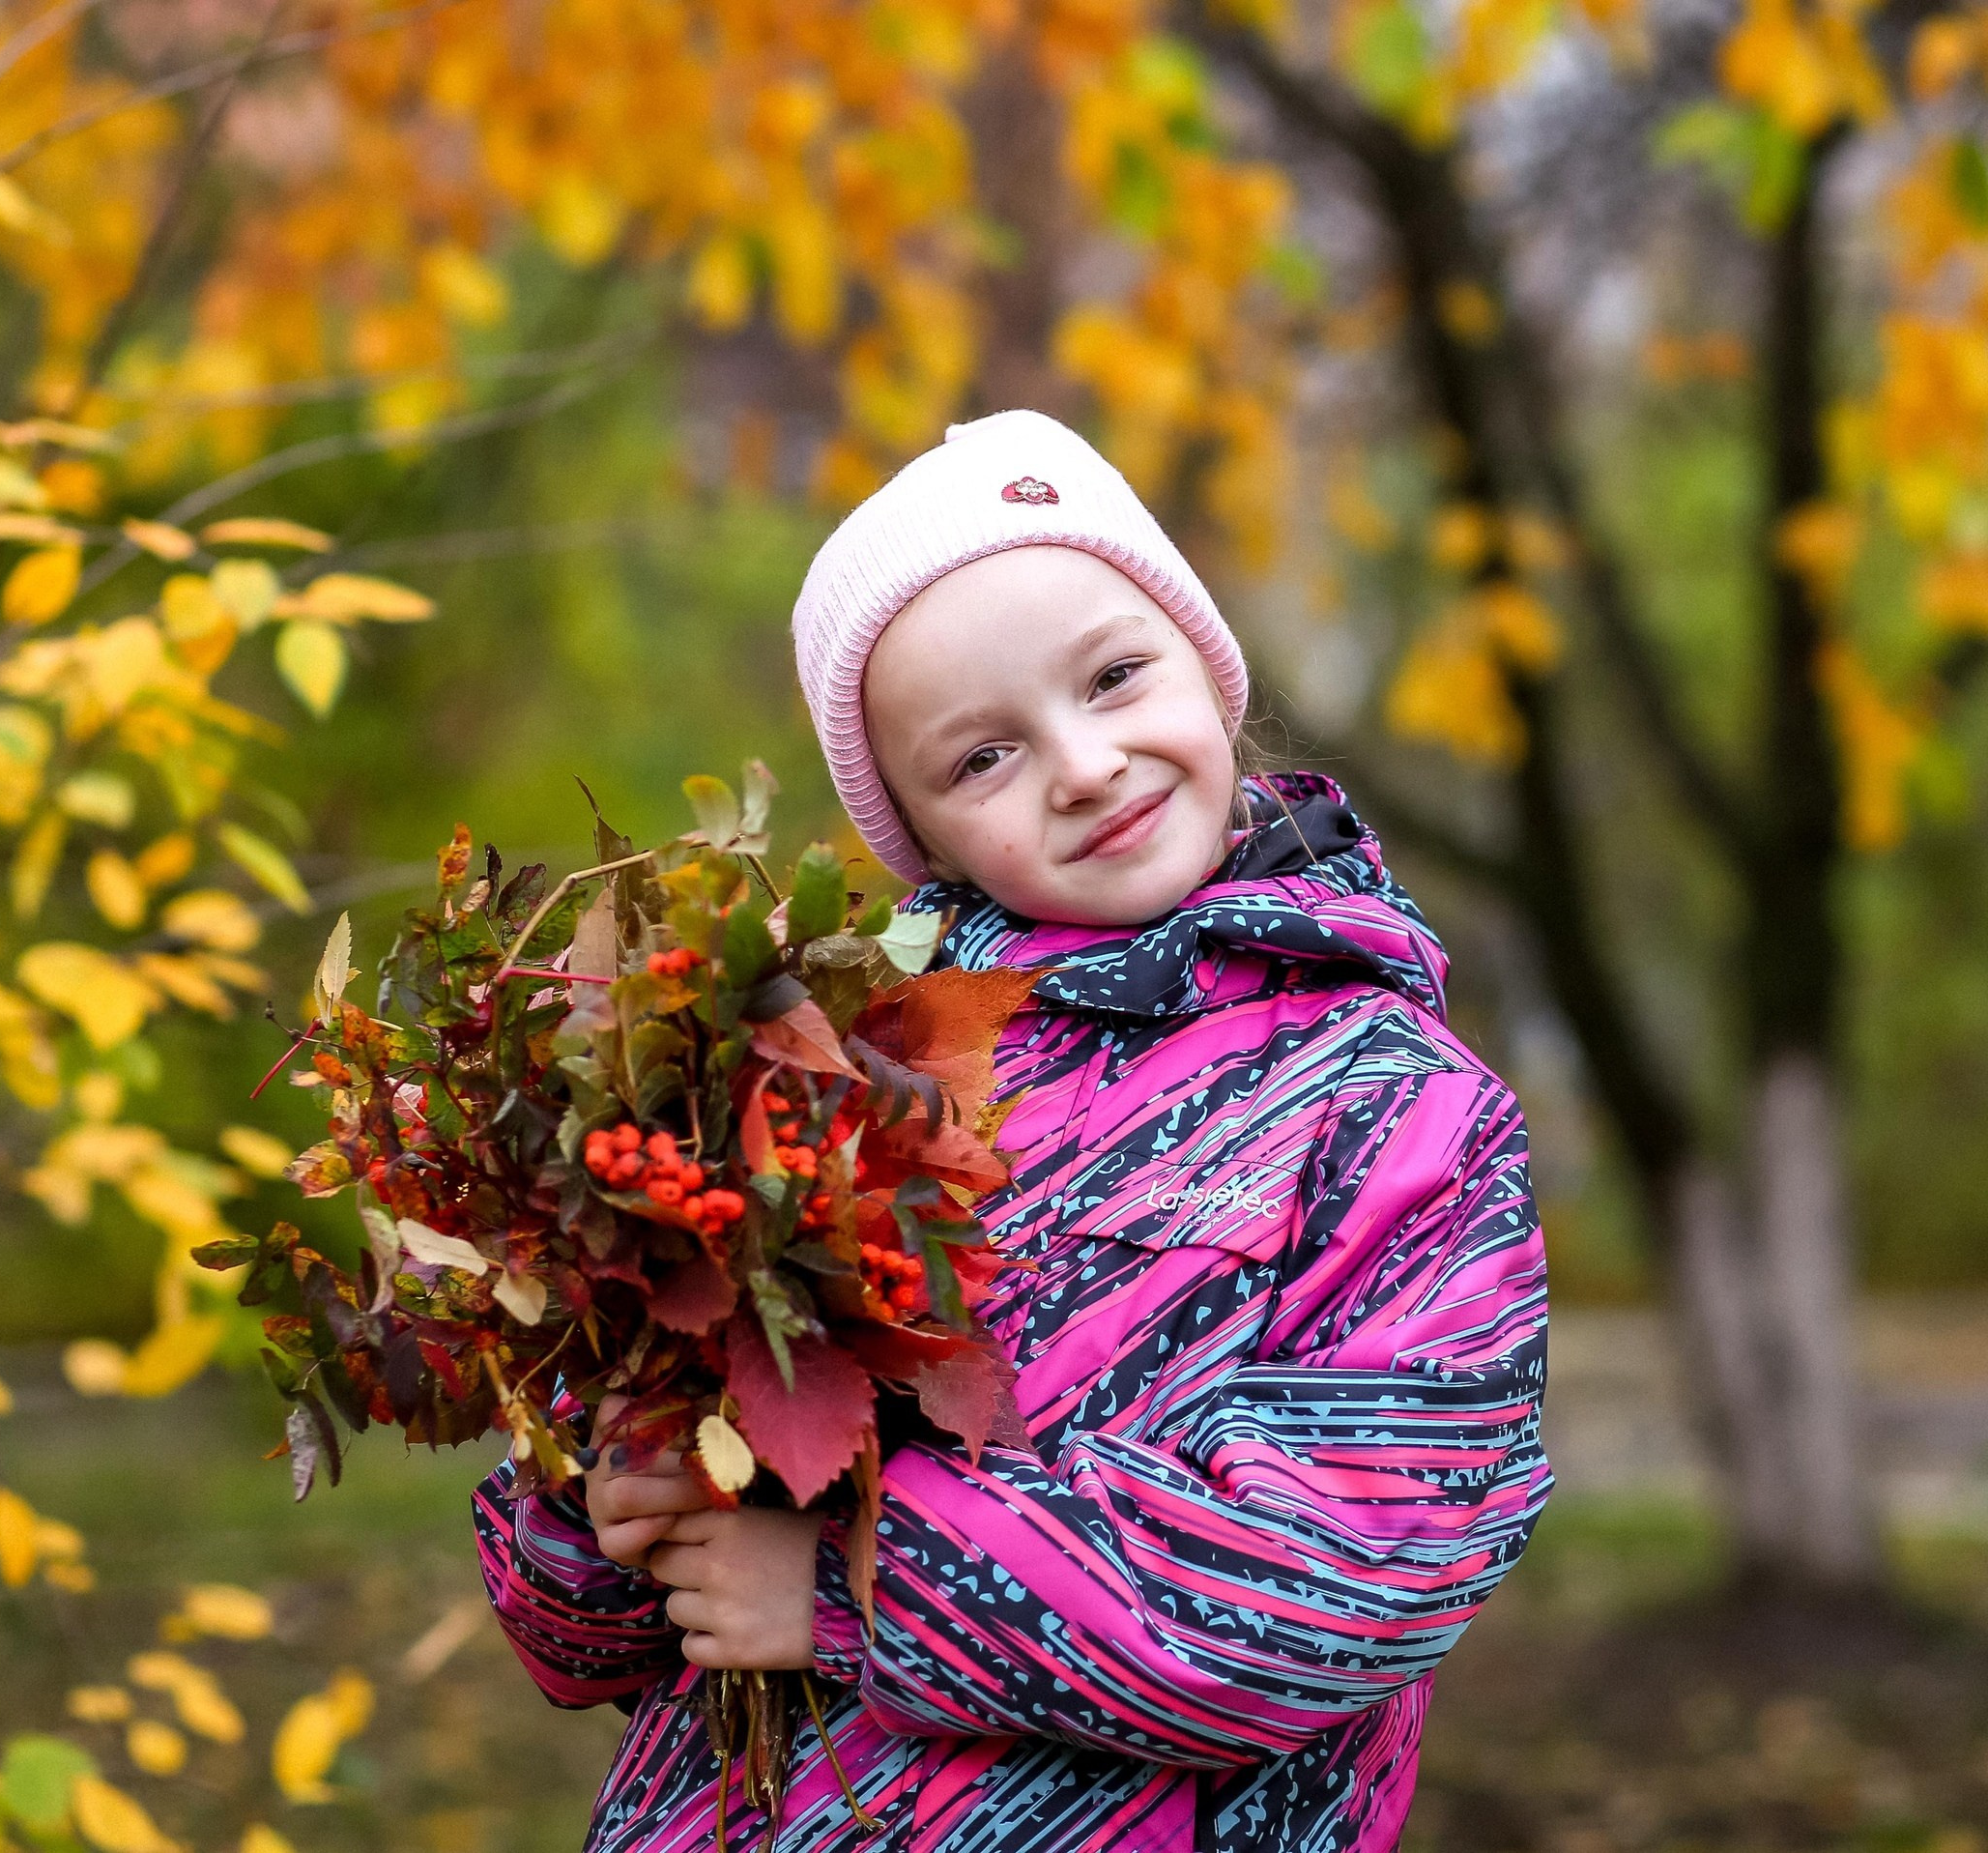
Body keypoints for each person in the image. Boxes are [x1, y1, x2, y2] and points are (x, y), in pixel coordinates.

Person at [473, 410, 1552, 1852]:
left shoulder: (1401, 1111)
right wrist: (613, 1506)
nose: (1086, 763)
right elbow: (584, 1624)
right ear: (916, 829)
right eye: (982, 757)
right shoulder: (824, 1076)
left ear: (1207, 665)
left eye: (1114, 676)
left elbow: (1353, 1563)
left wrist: (854, 1588)